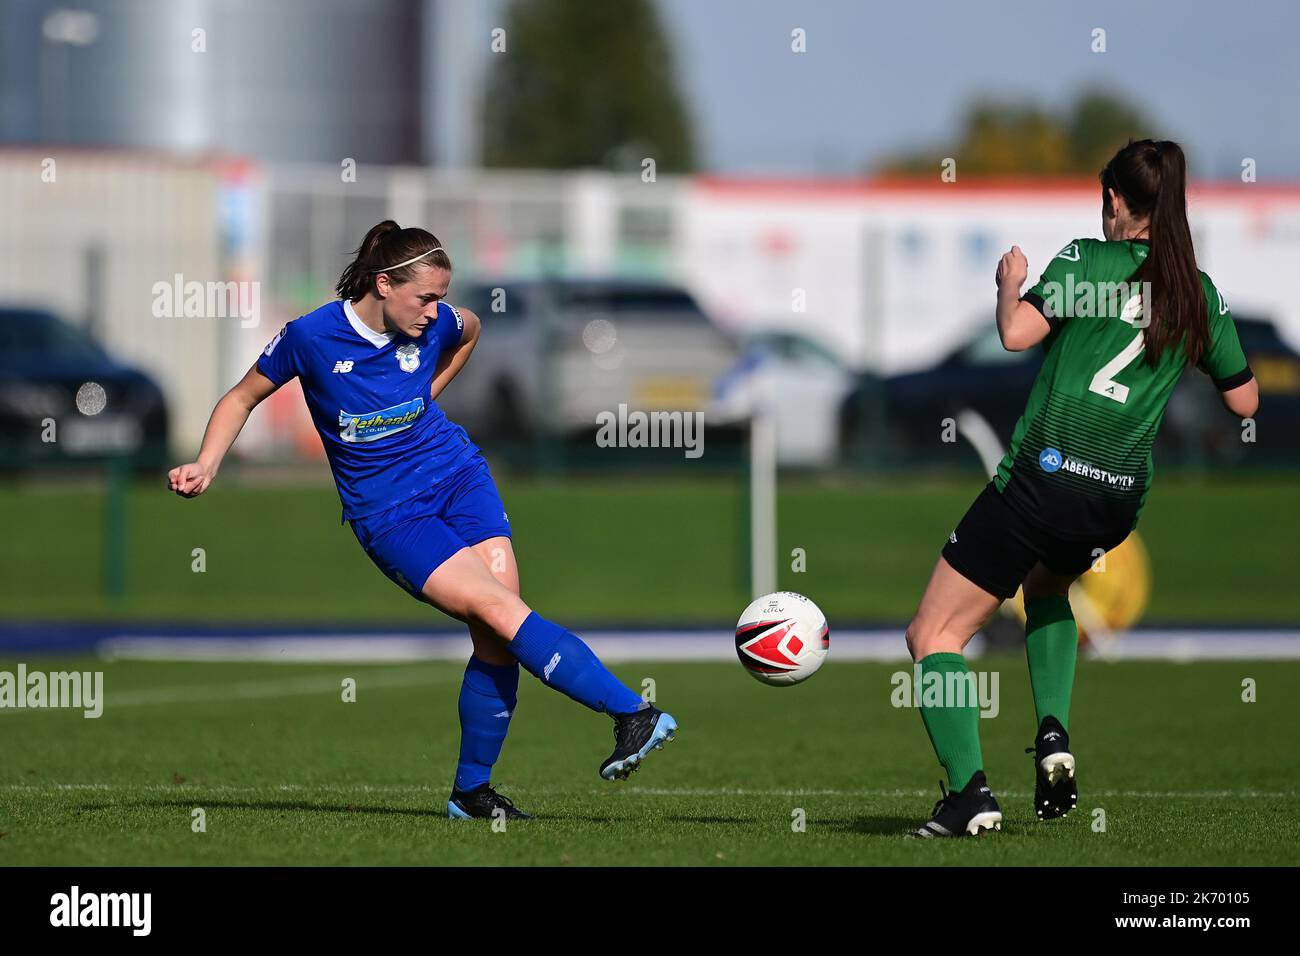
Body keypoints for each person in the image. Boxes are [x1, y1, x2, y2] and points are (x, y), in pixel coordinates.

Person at [168, 220, 677, 821]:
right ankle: (630, 713)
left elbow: (472, 327)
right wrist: (207, 461)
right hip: (389, 513)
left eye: (440, 298)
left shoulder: (436, 325)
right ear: (383, 283)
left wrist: (426, 392)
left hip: (458, 474)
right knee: (498, 611)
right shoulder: (312, 337)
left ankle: (471, 792)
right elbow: (242, 396)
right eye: (426, 298)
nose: (436, 312)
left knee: (498, 633)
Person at [907, 140, 1259, 837]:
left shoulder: (1085, 263)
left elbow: (1014, 334)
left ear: (1117, 202)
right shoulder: (1199, 292)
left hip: (1046, 477)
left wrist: (1010, 282)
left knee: (934, 633)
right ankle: (1053, 737)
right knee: (1045, 588)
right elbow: (1245, 403)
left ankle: (970, 796)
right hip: (1116, 498)